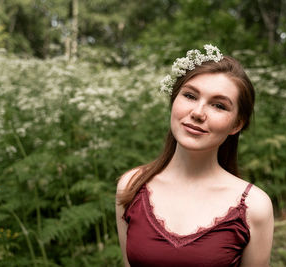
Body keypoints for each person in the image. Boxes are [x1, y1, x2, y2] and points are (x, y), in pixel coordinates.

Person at [115, 45, 274, 267]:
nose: (198, 113)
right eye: (190, 95)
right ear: (174, 100)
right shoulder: (131, 186)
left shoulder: (254, 206)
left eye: (219, 105)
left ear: (236, 124)